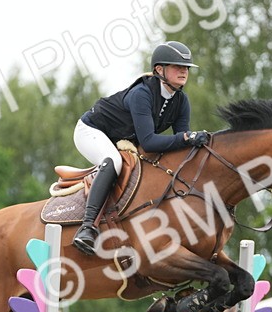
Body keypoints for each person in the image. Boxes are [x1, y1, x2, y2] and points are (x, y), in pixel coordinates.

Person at [70, 41, 209, 255]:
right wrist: (188, 137)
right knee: (113, 162)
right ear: (159, 70)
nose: (183, 71)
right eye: (176, 66)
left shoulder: (181, 101)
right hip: (92, 131)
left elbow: (182, 145)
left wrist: (193, 142)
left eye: (186, 67)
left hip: (125, 139)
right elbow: (150, 143)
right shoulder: (142, 94)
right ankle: (87, 227)